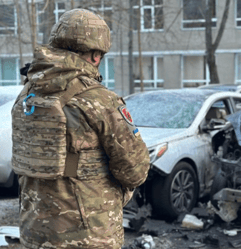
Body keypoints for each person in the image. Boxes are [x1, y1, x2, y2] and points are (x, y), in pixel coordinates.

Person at [11, 9, 150, 249]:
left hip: (34, 232)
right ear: (96, 55)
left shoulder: (27, 93)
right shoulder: (98, 99)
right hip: (88, 236)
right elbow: (135, 171)